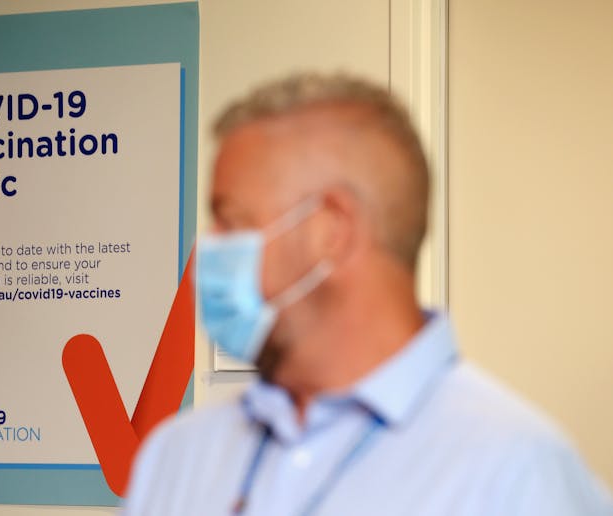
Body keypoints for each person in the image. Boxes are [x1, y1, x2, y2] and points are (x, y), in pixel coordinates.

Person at [123, 73, 612, 515]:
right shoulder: (175, 458)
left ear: (330, 232)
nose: (206, 246)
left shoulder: (516, 476)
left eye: (231, 220)